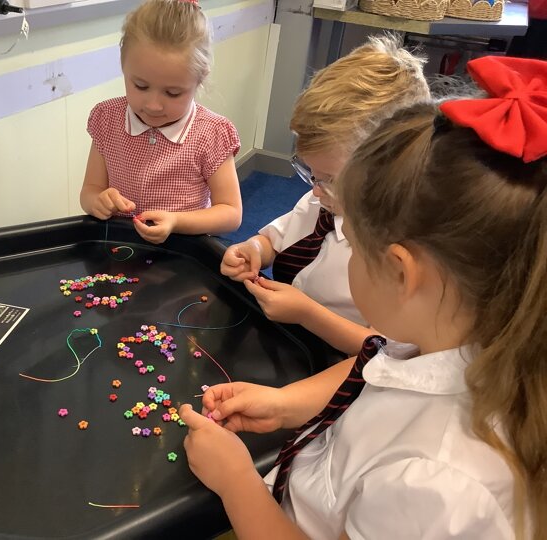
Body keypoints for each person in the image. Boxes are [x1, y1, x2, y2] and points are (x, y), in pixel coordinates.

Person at [181, 56, 547, 539]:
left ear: (401, 272)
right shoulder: (447, 334)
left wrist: (236, 483)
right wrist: (286, 403)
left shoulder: (438, 487)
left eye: (352, 242)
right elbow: (376, 363)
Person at [220, 35, 430, 355]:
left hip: (339, 362)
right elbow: (275, 240)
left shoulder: (404, 251)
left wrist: (308, 314)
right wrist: (253, 249)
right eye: (311, 173)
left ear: (392, 173)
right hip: (285, 340)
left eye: (329, 179)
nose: (315, 189)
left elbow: (383, 350)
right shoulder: (323, 198)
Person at [80, 0, 242, 245]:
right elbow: (90, 190)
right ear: (123, 66)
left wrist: (176, 221)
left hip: (185, 251)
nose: (154, 105)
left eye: (173, 93)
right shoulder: (107, 119)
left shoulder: (212, 133)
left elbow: (231, 213)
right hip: (120, 247)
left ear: (199, 79)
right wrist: (97, 202)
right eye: (140, 86)